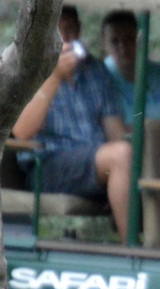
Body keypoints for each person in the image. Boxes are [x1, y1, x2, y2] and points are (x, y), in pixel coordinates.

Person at [12, 5, 132, 243]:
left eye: (69, 31)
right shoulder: (26, 68)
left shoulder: (95, 70)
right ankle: (134, 250)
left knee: (129, 155)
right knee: (120, 155)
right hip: (47, 168)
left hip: (97, 166)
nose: (64, 39)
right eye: (57, 32)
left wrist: (126, 170)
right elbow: (21, 132)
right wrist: (54, 76)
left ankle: (156, 240)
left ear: (78, 31)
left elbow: (115, 132)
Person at [101, 10, 160, 125]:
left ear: (139, 39)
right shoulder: (101, 77)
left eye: (129, 40)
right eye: (115, 41)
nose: (123, 47)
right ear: (104, 44)